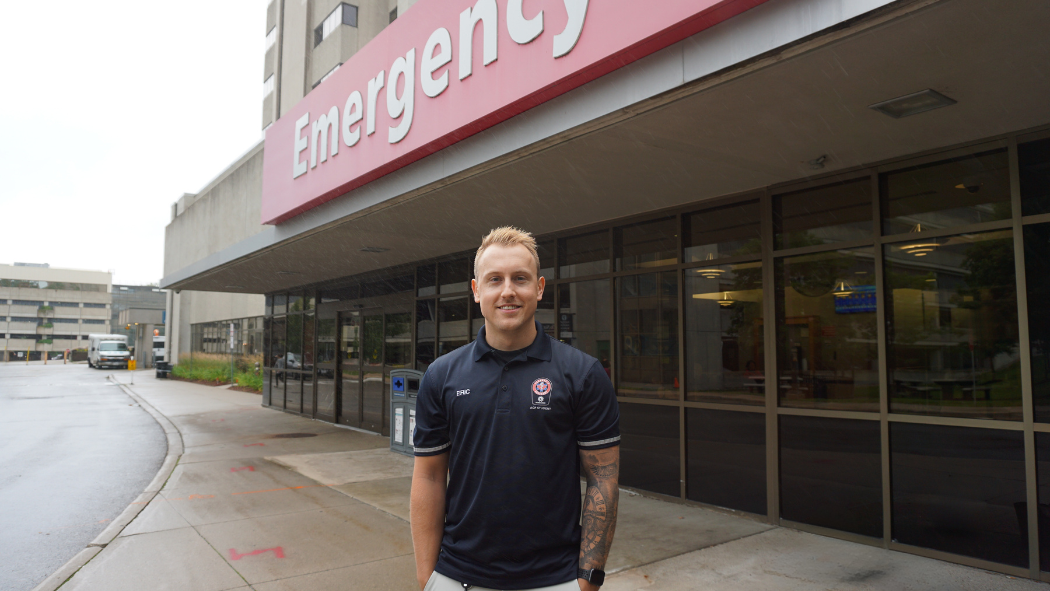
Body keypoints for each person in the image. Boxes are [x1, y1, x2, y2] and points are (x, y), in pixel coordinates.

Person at [411, 227, 620, 591]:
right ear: (477, 291)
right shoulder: (441, 375)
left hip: (554, 580)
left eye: (519, 279)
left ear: (539, 288)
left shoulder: (583, 374)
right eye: (494, 280)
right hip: (457, 576)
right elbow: (429, 476)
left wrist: (588, 579)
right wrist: (427, 578)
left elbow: (603, 478)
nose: (507, 290)